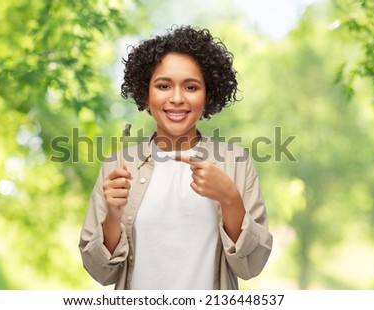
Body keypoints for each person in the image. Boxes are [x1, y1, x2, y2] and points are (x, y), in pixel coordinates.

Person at [79, 25, 272, 290]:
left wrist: (230, 199)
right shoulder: (118, 166)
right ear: (146, 95)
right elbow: (100, 272)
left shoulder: (236, 163)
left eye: (191, 87)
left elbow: (251, 266)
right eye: (164, 86)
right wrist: (112, 216)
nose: (177, 98)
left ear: (208, 95)